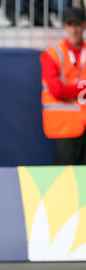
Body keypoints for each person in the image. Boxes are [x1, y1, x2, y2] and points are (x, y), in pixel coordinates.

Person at [40, 7, 86, 165]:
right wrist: (82, 87)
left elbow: (64, 88)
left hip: (84, 125)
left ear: (84, 25)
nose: (74, 30)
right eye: (70, 25)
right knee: (65, 179)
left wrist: (71, 86)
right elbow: (56, 90)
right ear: (65, 26)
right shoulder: (54, 54)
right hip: (64, 128)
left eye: (78, 25)